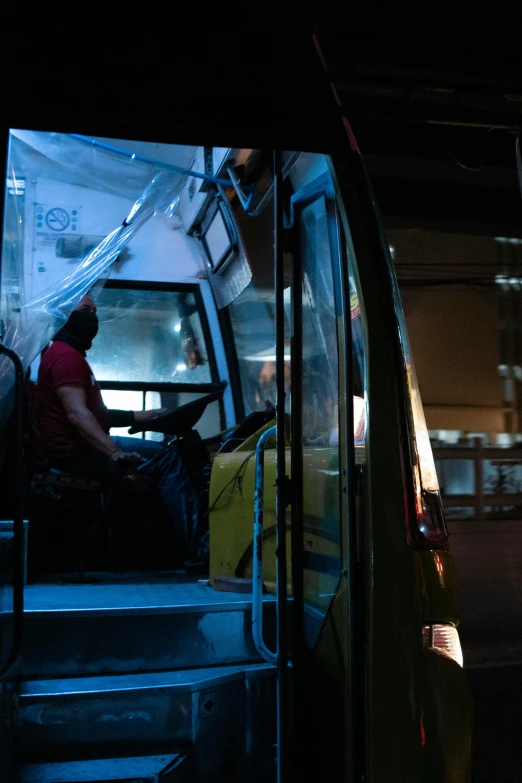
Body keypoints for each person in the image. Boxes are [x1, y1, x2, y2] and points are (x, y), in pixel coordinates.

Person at [36, 292, 208, 569]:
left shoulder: (66, 354)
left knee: (157, 459)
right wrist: (114, 451)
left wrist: (140, 415)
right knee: (167, 457)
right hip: (74, 452)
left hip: (80, 446)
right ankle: (199, 548)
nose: (92, 318)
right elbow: (77, 414)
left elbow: (92, 413)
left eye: (94, 311)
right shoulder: (66, 357)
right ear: (65, 316)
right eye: (84, 311)